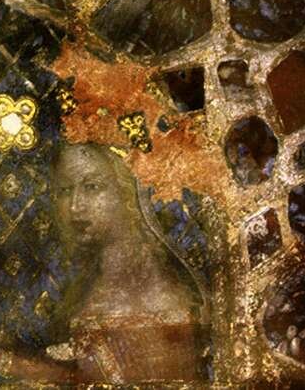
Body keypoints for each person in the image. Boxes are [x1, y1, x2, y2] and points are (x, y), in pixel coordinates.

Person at [46, 142, 207, 383]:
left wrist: (1, 361)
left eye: (92, 187)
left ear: (127, 191)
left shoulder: (159, 295)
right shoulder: (86, 282)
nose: (75, 206)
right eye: (65, 190)